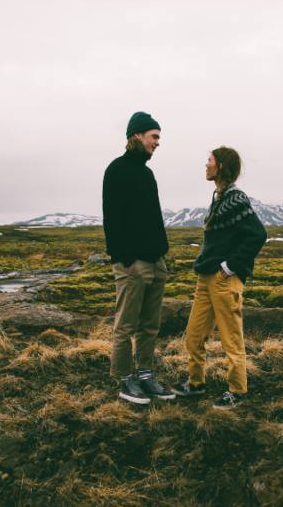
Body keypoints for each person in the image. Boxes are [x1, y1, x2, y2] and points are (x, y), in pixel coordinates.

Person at [171, 146, 268, 410]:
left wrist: (232, 265)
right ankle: (196, 383)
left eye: (210, 160)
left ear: (220, 166)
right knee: (194, 334)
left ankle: (237, 391)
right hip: (206, 277)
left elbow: (258, 234)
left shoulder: (235, 198)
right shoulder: (219, 196)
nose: (206, 165)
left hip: (224, 279)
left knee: (231, 339)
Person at [102, 111, 174, 404]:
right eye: (154, 136)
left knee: (150, 326)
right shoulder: (116, 170)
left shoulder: (147, 174)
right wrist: (125, 258)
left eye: (158, 137)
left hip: (156, 262)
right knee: (126, 325)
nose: (157, 142)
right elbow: (112, 219)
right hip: (133, 264)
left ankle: (145, 376)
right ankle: (124, 380)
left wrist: (162, 254)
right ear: (137, 136)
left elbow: (153, 216)